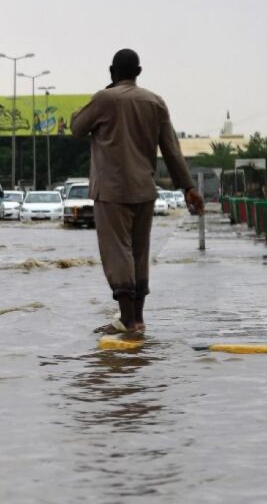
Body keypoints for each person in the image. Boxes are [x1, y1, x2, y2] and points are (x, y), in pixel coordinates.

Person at [71, 49, 205, 333]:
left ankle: (126, 319)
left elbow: (76, 127)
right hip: (145, 189)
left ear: (111, 72)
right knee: (139, 253)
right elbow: (171, 149)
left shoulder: (104, 99)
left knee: (117, 251)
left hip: (112, 191)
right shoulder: (155, 102)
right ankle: (138, 319)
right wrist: (188, 188)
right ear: (139, 72)